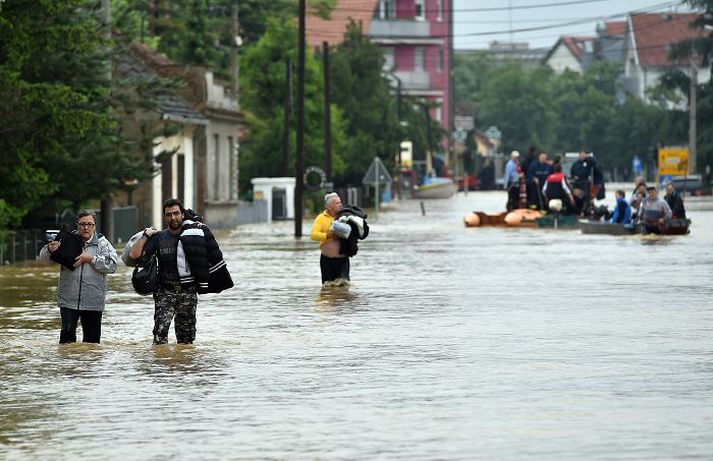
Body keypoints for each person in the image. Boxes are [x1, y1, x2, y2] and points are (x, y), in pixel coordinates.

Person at [128, 198, 233, 344]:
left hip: (188, 291)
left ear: (182, 214)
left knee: (186, 340)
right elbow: (133, 255)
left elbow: (210, 255)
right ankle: (161, 365)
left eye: (176, 213)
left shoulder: (194, 234)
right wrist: (146, 235)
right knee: (159, 336)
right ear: (164, 217)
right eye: (169, 214)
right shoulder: (158, 237)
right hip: (164, 291)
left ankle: (183, 365)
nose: (173, 217)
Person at [38, 211, 118, 343]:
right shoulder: (65, 240)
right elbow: (45, 261)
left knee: (92, 344)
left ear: (95, 226)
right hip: (68, 299)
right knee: (66, 343)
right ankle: (69, 364)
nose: (86, 227)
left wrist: (90, 259)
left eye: (89, 224)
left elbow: (113, 266)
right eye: (82, 224)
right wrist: (49, 250)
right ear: (77, 225)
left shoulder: (103, 244)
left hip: (93, 301)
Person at [310, 192, 349, 285]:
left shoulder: (345, 217)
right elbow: (313, 235)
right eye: (337, 203)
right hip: (327, 260)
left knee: (343, 288)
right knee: (327, 288)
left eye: (340, 202)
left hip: (343, 260)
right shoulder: (321, 218)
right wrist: (328, 235)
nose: (340, 205)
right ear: (329, 207)